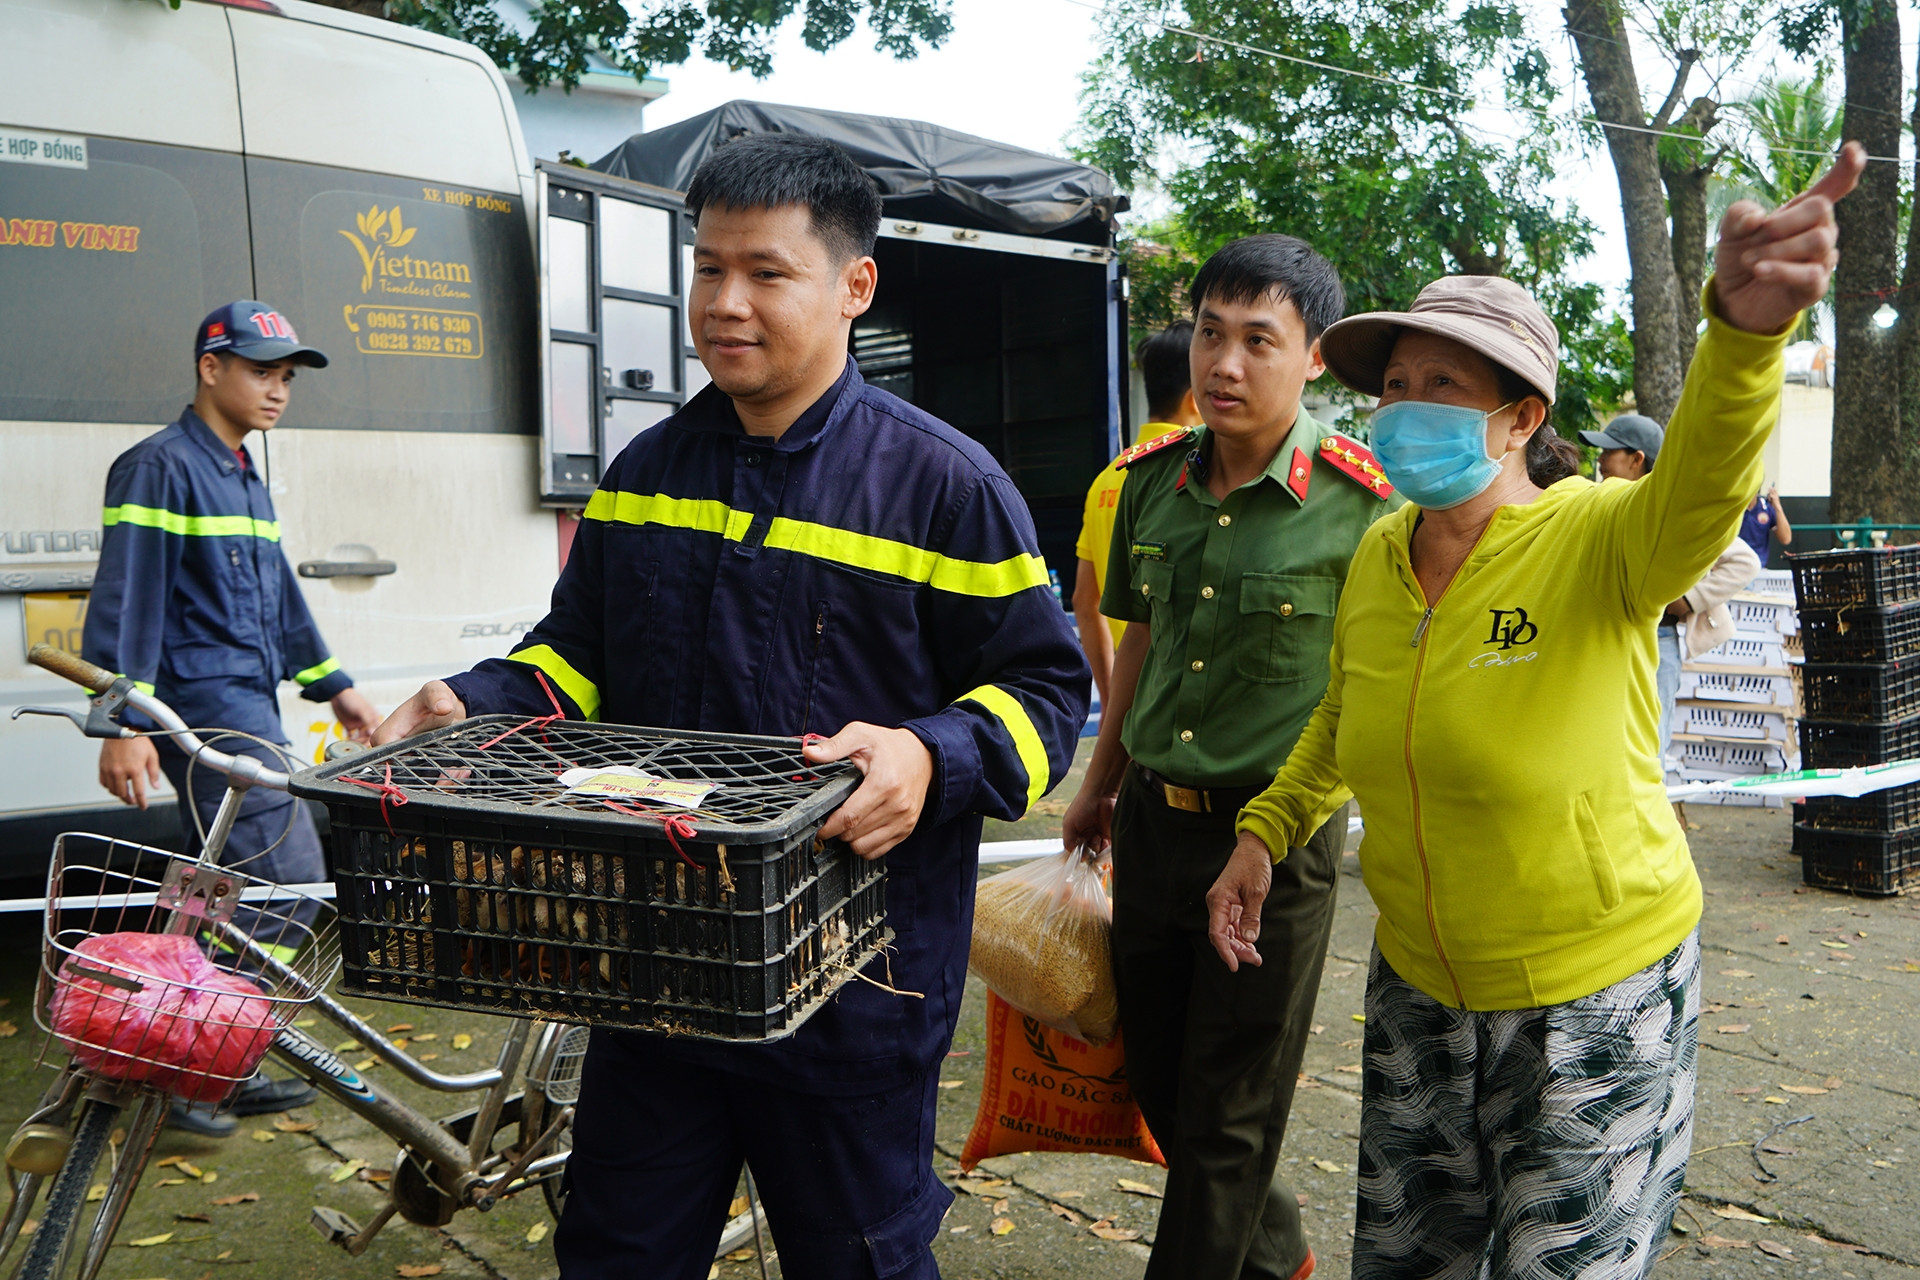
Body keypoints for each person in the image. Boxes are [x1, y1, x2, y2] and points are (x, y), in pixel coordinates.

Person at [373, 135, 1087, 1279]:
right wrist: (474, 697)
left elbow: (1048, 692)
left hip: (853, 981)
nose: (726, 302)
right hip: (655, 971)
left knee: (858, 1258)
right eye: (708, 269)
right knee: (615, 1252)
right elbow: (579, 656)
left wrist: (929, 752)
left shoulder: (946, 485)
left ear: (855, 285)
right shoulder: (647, 472)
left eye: (766, 271)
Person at [1207, 145, 1862, 1278]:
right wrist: (1264, 833)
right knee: (1419, 1260)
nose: (1403, 410)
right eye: (1394, 386)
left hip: (1592, 993)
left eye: (1442, 389)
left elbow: (1702, 483)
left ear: (1518, 420)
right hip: (1419, 982)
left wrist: (1744, 340)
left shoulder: (1597, 535)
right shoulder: (1378, 552)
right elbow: (1345, 711)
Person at [1060, 235, 1396, 1280]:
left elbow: (1373, 680)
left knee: (1228, 1116)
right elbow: (1142, 644)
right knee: (1162, 1082)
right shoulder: (1151, 485)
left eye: (1259, 340)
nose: (1225, 363)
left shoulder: (1366, 505)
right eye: (1211, 333)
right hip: (1155, 828)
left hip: (1276, 843)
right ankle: (1281, 1253)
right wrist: (1099, 780)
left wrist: (1294, 820)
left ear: (1315, 360)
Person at [82, 300, 381, 1136]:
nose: (278, 389)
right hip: (206, 710)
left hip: (248, 704)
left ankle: (217, 1056)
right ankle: (188, 1064)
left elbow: (277, 601)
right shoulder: (160, 466)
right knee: (284, 882)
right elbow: (127, 597)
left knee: (242, 890)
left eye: (286, 376)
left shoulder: (239, 470)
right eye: (261, 371)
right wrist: (123, 722)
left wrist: (336, 687)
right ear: (210, 368)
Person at [1583, 415, 1761, 761]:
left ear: (1637, 460)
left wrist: (1688, 600)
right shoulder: (1601, 502)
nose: (1600, 460)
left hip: (1657, 641)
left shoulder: (1668, 512)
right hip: (1605, 635)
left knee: (1648, 747)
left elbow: (1745, 561)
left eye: (1609, 452)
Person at [1073, 322, 1204, 706]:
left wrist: (1117, 699)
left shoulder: (1107, 479)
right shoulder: (1201, 473)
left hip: (1135, 707)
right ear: (1196, 398)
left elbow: (1085, 600)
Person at [1739, 483, 1793, 564]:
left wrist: (1777, 506)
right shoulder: (1731, 508)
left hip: (1759, 566)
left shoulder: (1766, 507)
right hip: (1734, 564)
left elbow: (1786, 539)